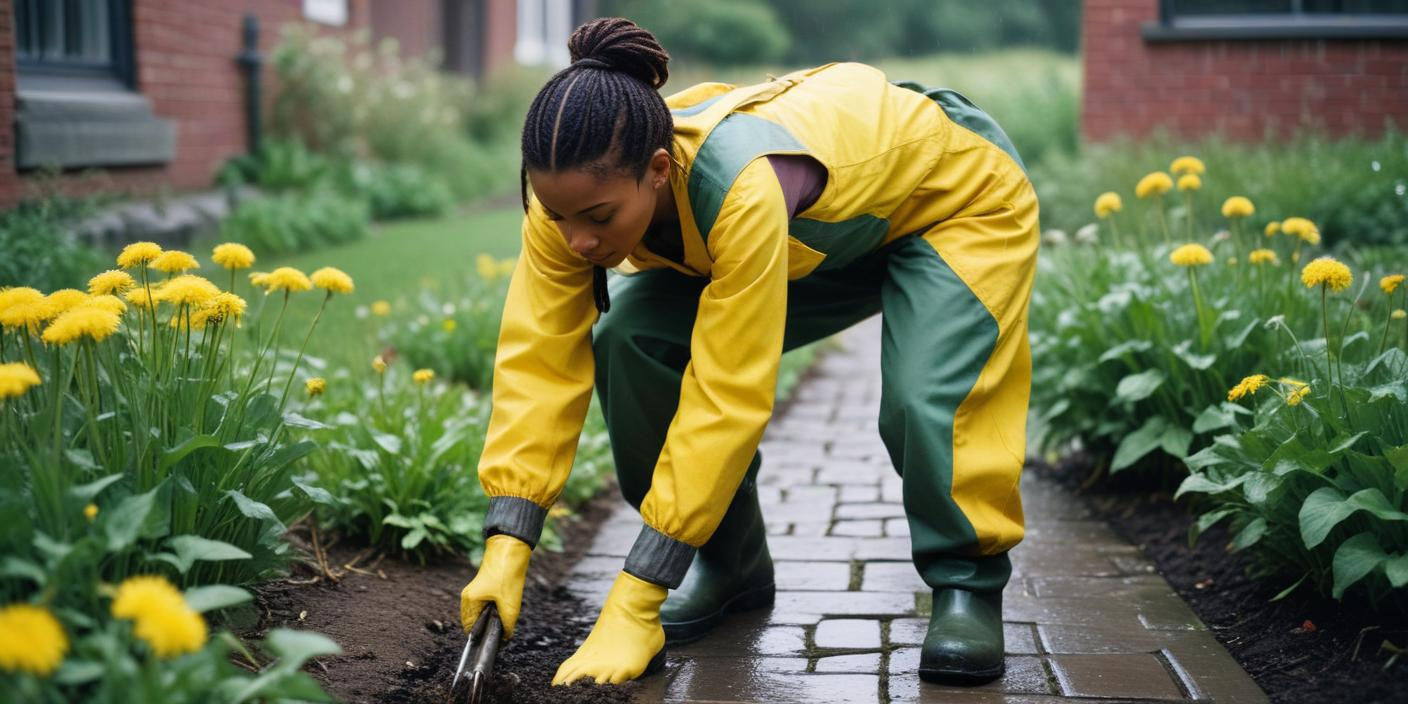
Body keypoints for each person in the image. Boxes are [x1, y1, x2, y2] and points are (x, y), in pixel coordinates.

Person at [459, 17, 1037, 687]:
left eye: (598, 219)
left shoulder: (739, 186)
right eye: (559, 217)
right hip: (819, 235)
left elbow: (727, 393)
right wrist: (507, 543)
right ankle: (729, 564)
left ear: (657, 171)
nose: (577, 240)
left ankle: (967, 583)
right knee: (633, 340)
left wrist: (637, 593)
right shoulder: (572, 196)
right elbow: (539, 359)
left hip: (953, 204)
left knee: (925, 398)